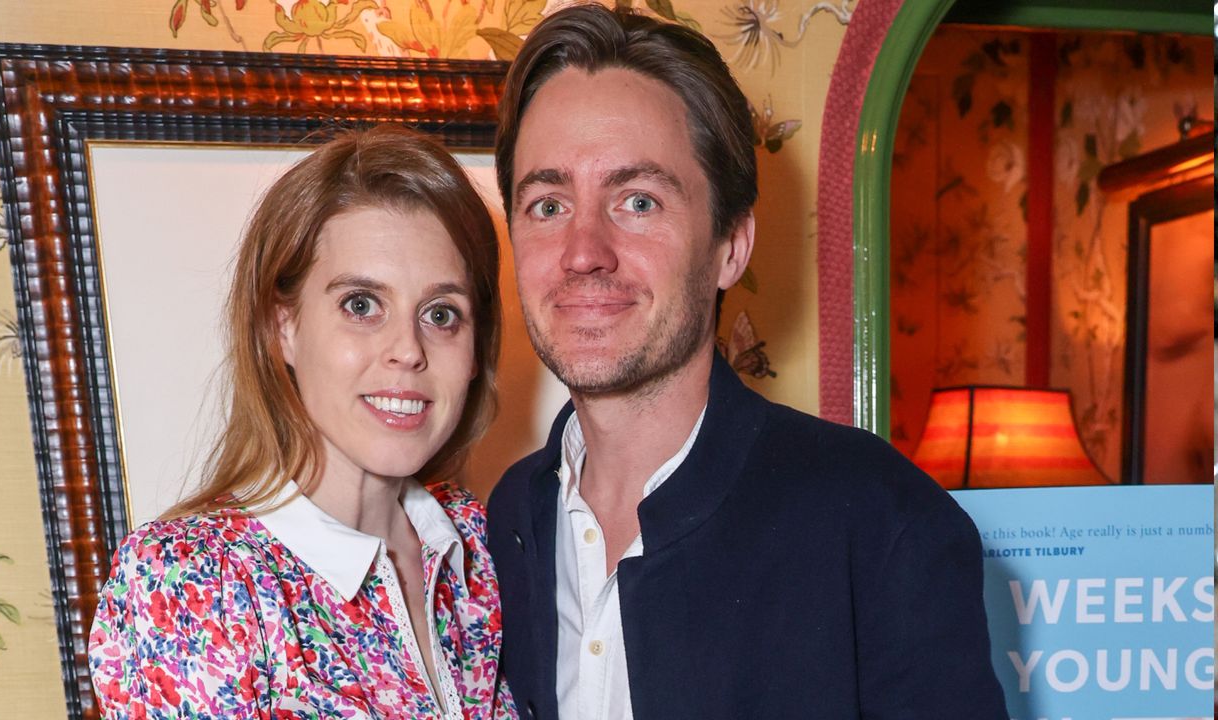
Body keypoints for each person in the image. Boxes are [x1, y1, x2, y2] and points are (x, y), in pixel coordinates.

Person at [485, 5, 1008, 719]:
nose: (583, 252)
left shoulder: (884, 524)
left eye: (637, 201)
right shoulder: (500, 526)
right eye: (547, 205)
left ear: (731, 245)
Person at [88, 126, 516, 719]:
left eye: (441, 314)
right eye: (361, 304)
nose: (408, 351)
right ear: (282, 325)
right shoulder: (188, 585)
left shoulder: (478, 548)